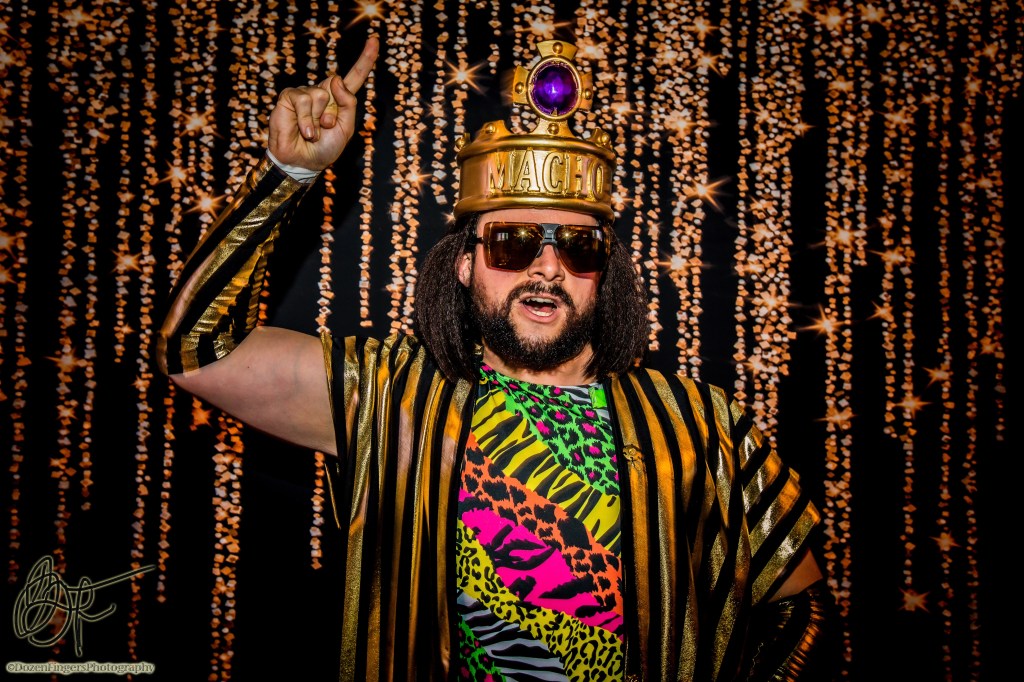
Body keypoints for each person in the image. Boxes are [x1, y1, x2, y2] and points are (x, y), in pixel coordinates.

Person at [156, 33, 835, 681]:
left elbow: (801, 613)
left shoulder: (699, 424)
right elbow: (196, 351)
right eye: (513, 242)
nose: (547, 268)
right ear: (464, 264)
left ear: (605, 272)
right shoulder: (387, 396)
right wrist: (287, 175)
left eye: (579, 247)